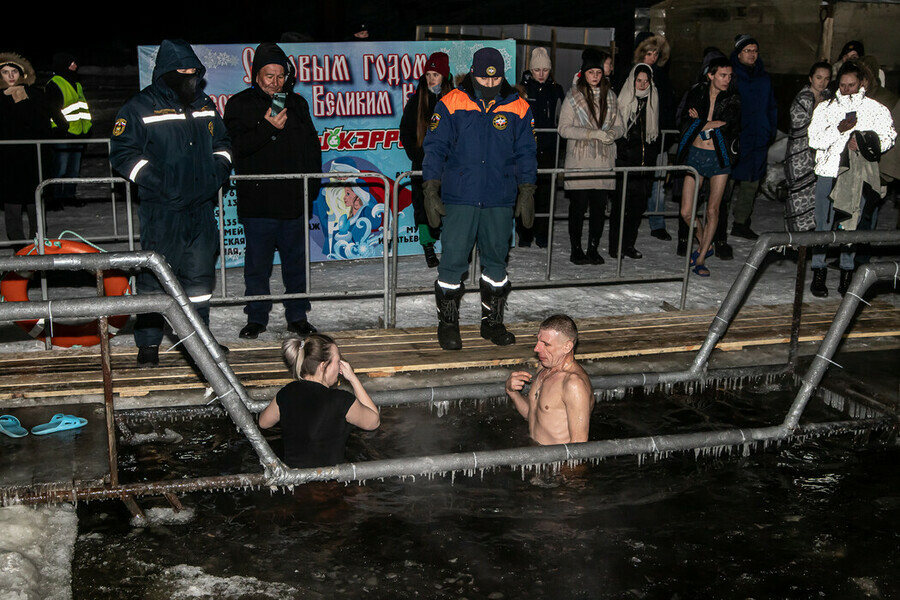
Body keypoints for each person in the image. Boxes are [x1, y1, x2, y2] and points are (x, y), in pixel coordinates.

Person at [109, 39, 233, 367]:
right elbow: (123, 154)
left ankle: (200, 342)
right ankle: (148, 345)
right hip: (162, 212)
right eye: (183, 71)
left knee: (200, 281)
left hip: (201, 211)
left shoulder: (205, 103)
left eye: (195, 71)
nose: (190, 76)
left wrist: (217, 172)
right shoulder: (139, 107)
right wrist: (161, 183)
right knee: (154, 279)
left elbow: (223, 143)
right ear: (166, 72)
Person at [422, 47, 537, 350]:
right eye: (483, 78)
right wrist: (430, 189)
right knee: (452, 265)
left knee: (496, 267)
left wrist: (527, 190)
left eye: (495, 78)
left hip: (499, 198)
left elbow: (527, 153)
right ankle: (448, 325)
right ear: (472, 73)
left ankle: (493, 324)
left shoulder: (519, 107)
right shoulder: (450, 103)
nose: (489, 84)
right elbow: (434, 148)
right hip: (461, 197)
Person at [223, 42, 322, 340]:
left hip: (293, 201)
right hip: (258, 203)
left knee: (295, 264)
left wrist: (311, 186)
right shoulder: (239, 105)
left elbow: (311, 147)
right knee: (257, 266)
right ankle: (256, 317)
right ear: (256, 75)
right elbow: (235, 149)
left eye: (280, 76)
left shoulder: (298, 104)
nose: (275, 82)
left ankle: (297, 315)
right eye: (269, 75)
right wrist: (267, 127)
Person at [807, 61, 896, 297]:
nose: (847, 89)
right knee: (823, 225)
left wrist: (866, 141)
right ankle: (819, 271)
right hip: (829, 171)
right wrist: (838, 129)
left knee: (851, 224)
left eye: (852, 85)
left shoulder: (875, 109)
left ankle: (847, 272)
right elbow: (814, 140)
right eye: (843, 85)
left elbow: (889, 137)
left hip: (858, 174)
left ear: (862, 84)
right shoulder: (825, 108)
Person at [259, 334, 380, 468]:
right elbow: (373, 422)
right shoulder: (340, 400)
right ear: (323, 366)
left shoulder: (287, 392)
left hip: (294, 482)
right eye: (337, 361)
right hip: (329, 484)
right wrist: (353, 379)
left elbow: (263, 423)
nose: (340, 366)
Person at [676, 56, 741, 278]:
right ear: (710, 75)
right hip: (695, 154)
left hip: (719, 158)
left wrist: (701, 122)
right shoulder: (697, 92)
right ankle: (706, 241)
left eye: (730, 75)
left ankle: (702, 256)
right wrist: (709, 124)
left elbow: (730, 125)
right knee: (686, 211)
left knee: (713, 209)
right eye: (723, 75)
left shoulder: (732, 98)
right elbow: (685, 119)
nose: (727, 79)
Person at [559, 50, 624, 265]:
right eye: (591, 72)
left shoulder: (611, 97)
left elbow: (620, 125)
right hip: (580, 160)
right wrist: (591, 133)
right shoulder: (573, 96)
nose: (595, 76)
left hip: (604, 161)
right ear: (584, 73)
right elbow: (564, 128)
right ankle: (576, 248)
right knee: (578, 207)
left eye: (598, 72)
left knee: (598, 208)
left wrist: (613, 133)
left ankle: (593, 248)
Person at [504, 314, 594, 445]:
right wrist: (512, 392)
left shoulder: (573, 384)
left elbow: (578, 448)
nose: (536, 348)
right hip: (536, 455)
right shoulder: (544, 367)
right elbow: (534, 415)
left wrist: (561, 466)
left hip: (556, 463)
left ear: (567, 347)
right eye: (538, 341)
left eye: (546, 344)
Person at [399, 51, 452, 268]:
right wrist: (419, 156)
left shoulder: (455, 99)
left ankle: (452, 246)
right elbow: (406, 132)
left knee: (450, 205)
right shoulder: (417, 100)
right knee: (422, 207)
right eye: (428, 74)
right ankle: (428, 247)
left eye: (436, 74)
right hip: (423, 165)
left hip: (448, 166)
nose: (431, 78)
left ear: (444, 76)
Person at [726, 34, 776, 241]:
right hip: (737, 137)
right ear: (738, 53)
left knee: (751, 182)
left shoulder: (763, 78)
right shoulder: (731, 76)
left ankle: (741, 221)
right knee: (726, 181)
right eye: (748, 51)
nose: (752, 55)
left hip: (757, 137)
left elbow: (771, 106)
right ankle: (717, 220)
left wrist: (769, 129)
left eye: (755, 51)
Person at [0, 52, 50, 250]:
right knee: (12, 210)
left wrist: (24, 102)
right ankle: (19, 253)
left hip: (32, 159)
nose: (11, 76)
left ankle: (36, 251)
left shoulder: (35, 94)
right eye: (5, 72)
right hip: (7, 161)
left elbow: (42, 125)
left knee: (35, 208)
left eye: (14, 72)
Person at [517, 47, 565, 249]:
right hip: (527, 150)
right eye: (537, 70)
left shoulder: (556, 89)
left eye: (545, 70)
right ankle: (524, 233)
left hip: (548, 149)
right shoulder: (522, 90)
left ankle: (542, 233)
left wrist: (558, 144)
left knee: (546, 193)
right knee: (527, 192)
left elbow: (560, 117)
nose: (541, 74)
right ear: (531, 70)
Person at [613, 63, 660, 259]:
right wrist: (622, 147)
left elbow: (656, 131)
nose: (642, 84)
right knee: (620, 207)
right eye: (638, 80)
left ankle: (629, 244)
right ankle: (616, 246)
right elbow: (614, 126)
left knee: (637, 208)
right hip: (625, 162)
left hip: (645, 164)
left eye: (645, 81)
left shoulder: (654, 100)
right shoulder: (622, 99)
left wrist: (652, 152)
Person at [631, 33, 675, 242]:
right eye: (649, 53)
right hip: (636, 141)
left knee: (658, 184)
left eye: (656, 53)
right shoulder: (632, 75)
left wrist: (667, 138)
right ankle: (630, 219)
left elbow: (668, 110)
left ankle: (657, 223)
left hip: (659, 140)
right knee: (636, 183)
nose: (653, 57)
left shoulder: (662, 77)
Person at [784, 61, 832, 232]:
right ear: (811, 78)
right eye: (819, 77)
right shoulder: (803, 98)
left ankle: (809, 242)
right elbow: (799, 126)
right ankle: (794, 240)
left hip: (818, 156)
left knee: (815, 199)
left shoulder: (828, 98)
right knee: (799, 197)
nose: (822, 82)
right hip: (799, 155)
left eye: (826, 79)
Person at [44, 52, 91, 211]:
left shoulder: (76, 84)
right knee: (61, 168)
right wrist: (62, 128)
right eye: (72, 63)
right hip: (63, 134)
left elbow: (82, 108)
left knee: (73, 168)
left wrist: (87, 129)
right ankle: (56, 198)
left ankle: (69, 195)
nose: (75, 65)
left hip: (78, 133)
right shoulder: (54, 83)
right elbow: (53, 109)